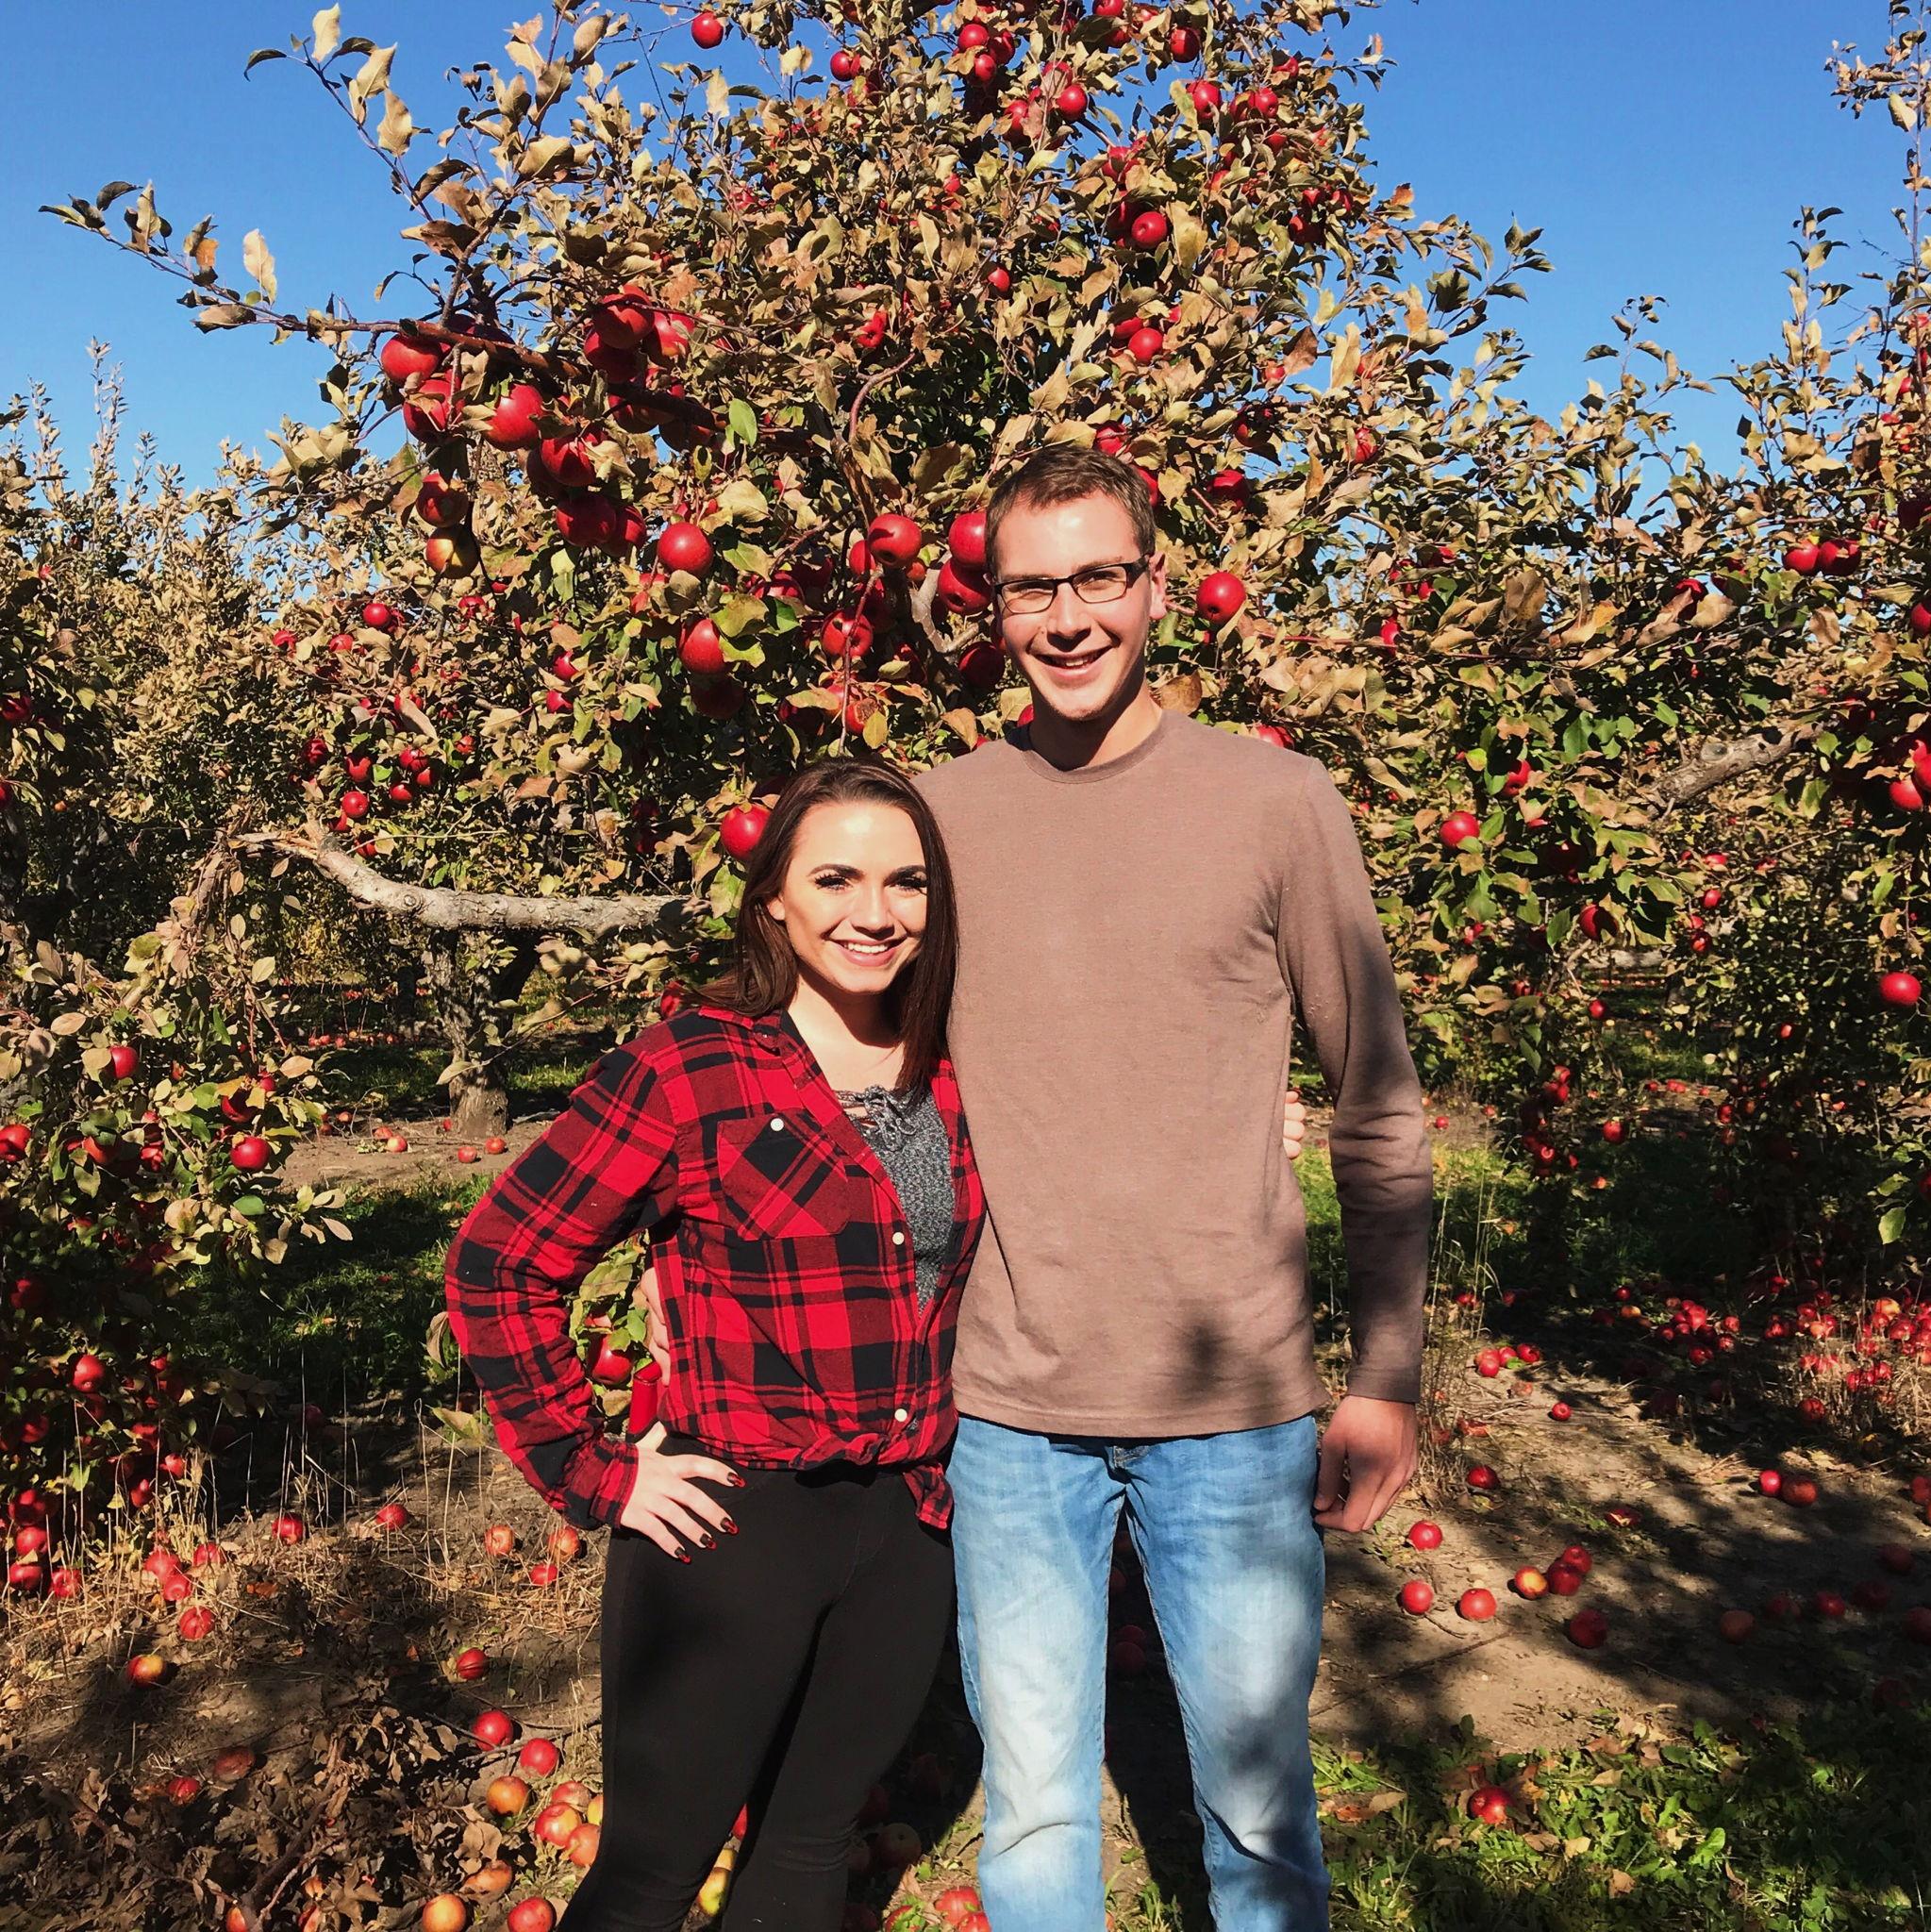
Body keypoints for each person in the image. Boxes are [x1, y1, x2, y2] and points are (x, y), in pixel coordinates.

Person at [914, 444, 1435, 1932]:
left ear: (1153, 588)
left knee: (1260, 1814)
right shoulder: (942, 821)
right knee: (1030, 1811)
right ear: (991, 611)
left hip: (1235, 1408)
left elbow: (1375, 1103)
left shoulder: (1274, 801)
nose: (1068, 617)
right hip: (1010, 1408)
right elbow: (859, 1084)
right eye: (1031, 588)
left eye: (1097, 578)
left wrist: (1382, 1372)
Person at [441, 758, 988, 1932]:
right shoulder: (693, 1064)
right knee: (652, 1865)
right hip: (736, 1523)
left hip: (908, 1526)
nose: (874, 912)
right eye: (834, 877)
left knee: (804, 1850)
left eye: (906, 881)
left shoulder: (954, 1066)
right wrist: (595, 1470)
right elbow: (499, 1261)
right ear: (773, 901)